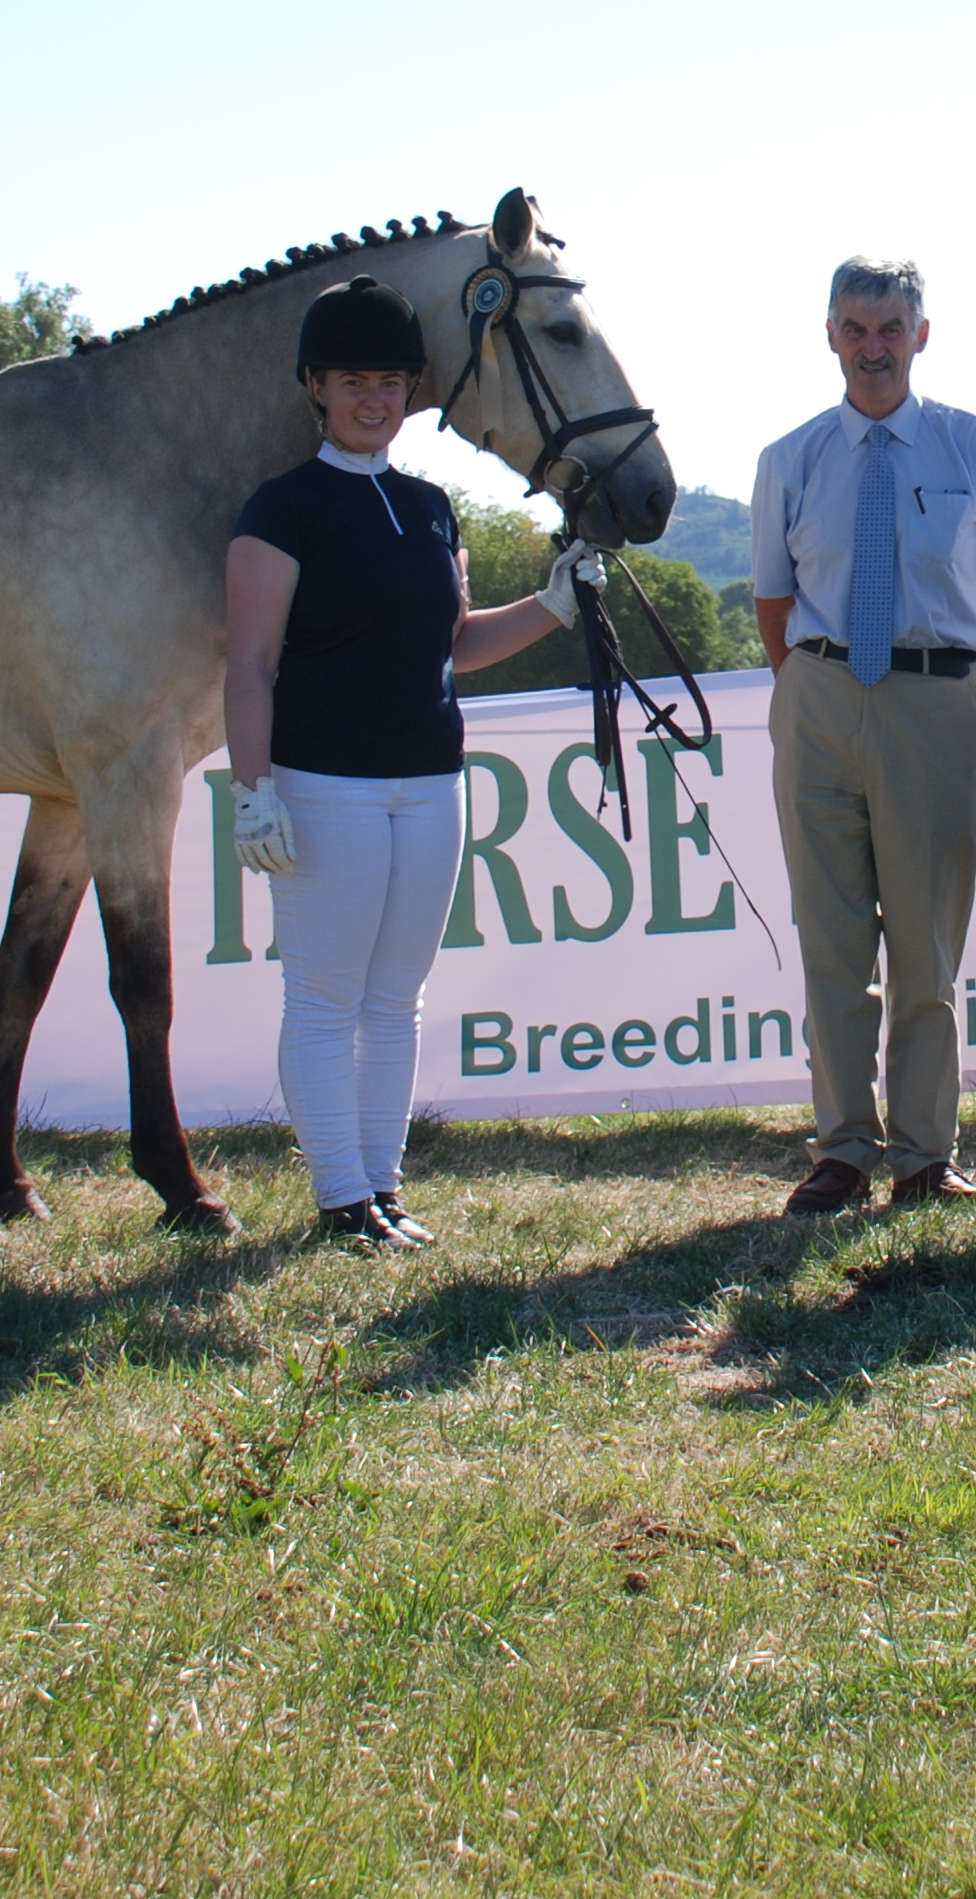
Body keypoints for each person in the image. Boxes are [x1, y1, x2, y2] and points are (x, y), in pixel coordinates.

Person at [222, 275, 592, 1249]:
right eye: (353, 380)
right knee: (323, 999)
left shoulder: (431, 507)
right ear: (315, 387)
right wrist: (252, 790)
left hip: (430, 784)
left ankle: (381, 1190)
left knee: (396, 999)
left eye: (389, 381)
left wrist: (554, 604)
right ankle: (339, 1196)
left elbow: (453, 645)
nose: (373, 398)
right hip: (323, 785)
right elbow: (249, 664)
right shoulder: (281, 509)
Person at [750, 257, 976, 1215]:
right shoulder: (789, 459)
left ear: (922, 335)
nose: (872, 349)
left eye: (890, 329)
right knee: (832, 943)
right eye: (855, 329)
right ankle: (842, 1150)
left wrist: (956, 688)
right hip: (820, 698)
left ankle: (924, 1155)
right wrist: (819, 687)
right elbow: (773, 603)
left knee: (926, 946)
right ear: (830, 336)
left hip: (937, 697)